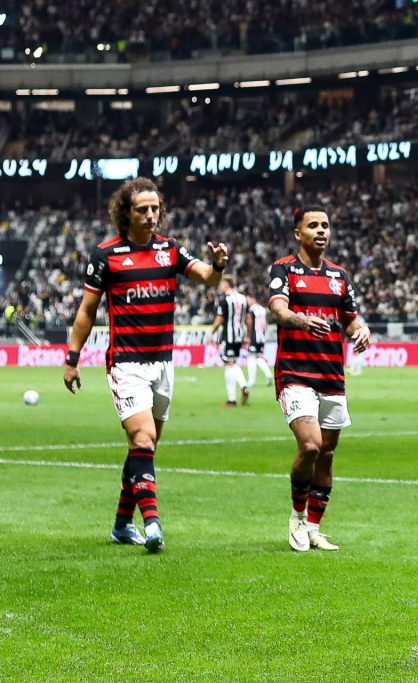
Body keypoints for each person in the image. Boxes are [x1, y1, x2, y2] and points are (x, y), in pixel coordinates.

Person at [62, 177, 228, 553]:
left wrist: (217, 266)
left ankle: (122, 525)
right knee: (142, 438)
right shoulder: (105, 256)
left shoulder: (170, 250)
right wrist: (72, 358)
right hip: (126, 364)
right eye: (142, 209)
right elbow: (86, 312)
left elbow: (205, 278)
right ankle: (152, 524)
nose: (151, 215)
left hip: (163, 365)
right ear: (126, 213)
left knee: (144, 450)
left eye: (155, 209)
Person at [268, 206, 370, 552]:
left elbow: (351, 318)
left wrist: (361, 329)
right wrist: (301, 320)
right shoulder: (284, 269)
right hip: (295, 373)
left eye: (326, 225)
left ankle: (314, 527)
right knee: (310, 444)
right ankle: (297, 516)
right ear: (298, 233)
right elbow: (278, 310)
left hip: (331, 375)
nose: (321, 230)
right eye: (313, 225)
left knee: (326, 454)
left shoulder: (340, 276)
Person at [209, 275, 250, 406]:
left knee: (228, 364)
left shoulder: (225, 300)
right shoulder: (243, 299)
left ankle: (232, 399)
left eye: (222, 284)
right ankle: (243, 387)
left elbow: (219, 319)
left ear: (227, 284)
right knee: (232, 362)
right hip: (239, 335)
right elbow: (248, 319)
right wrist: (247, 335)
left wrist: (212, 332)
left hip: (228, 335)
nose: (221, 286)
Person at [245, 292, 274, 389]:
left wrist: (248, 336)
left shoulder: (251, 309)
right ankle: (269, 374)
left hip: (254, 336)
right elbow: (266, 323)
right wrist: (264, 335)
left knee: (251, 358)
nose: (247, 301)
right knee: (259, 357)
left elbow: (249, 322)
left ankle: (251, 381)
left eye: (248, 299)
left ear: (252, 299)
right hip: (261, 337)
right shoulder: (262, 309)